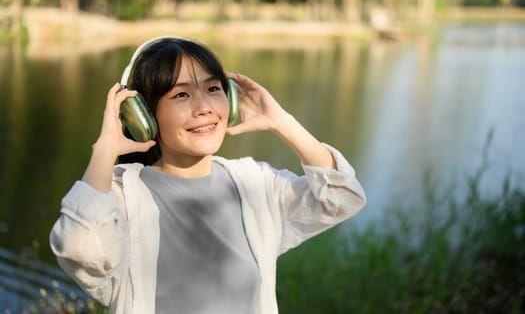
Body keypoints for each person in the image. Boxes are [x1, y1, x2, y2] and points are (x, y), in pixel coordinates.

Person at [49, 36, 366, 314]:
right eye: (181, 95)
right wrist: (106, 147)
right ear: (143, 115)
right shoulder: (121, 196)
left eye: (213, 89)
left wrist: (281, 120)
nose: (204, 107)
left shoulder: (254, 185)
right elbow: (79, 249)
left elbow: (342, 198)